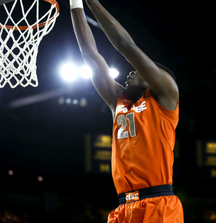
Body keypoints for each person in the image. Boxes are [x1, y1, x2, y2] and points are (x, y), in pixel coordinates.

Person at [69, 0, 184, 222]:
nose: (132, 72)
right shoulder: (117, 101)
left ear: (155, 77)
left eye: (141, 71)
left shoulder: (166, 96)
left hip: (159, 204)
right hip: (123, 208)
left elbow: (124, 43)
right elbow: (90, 55)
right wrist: (75, 4)